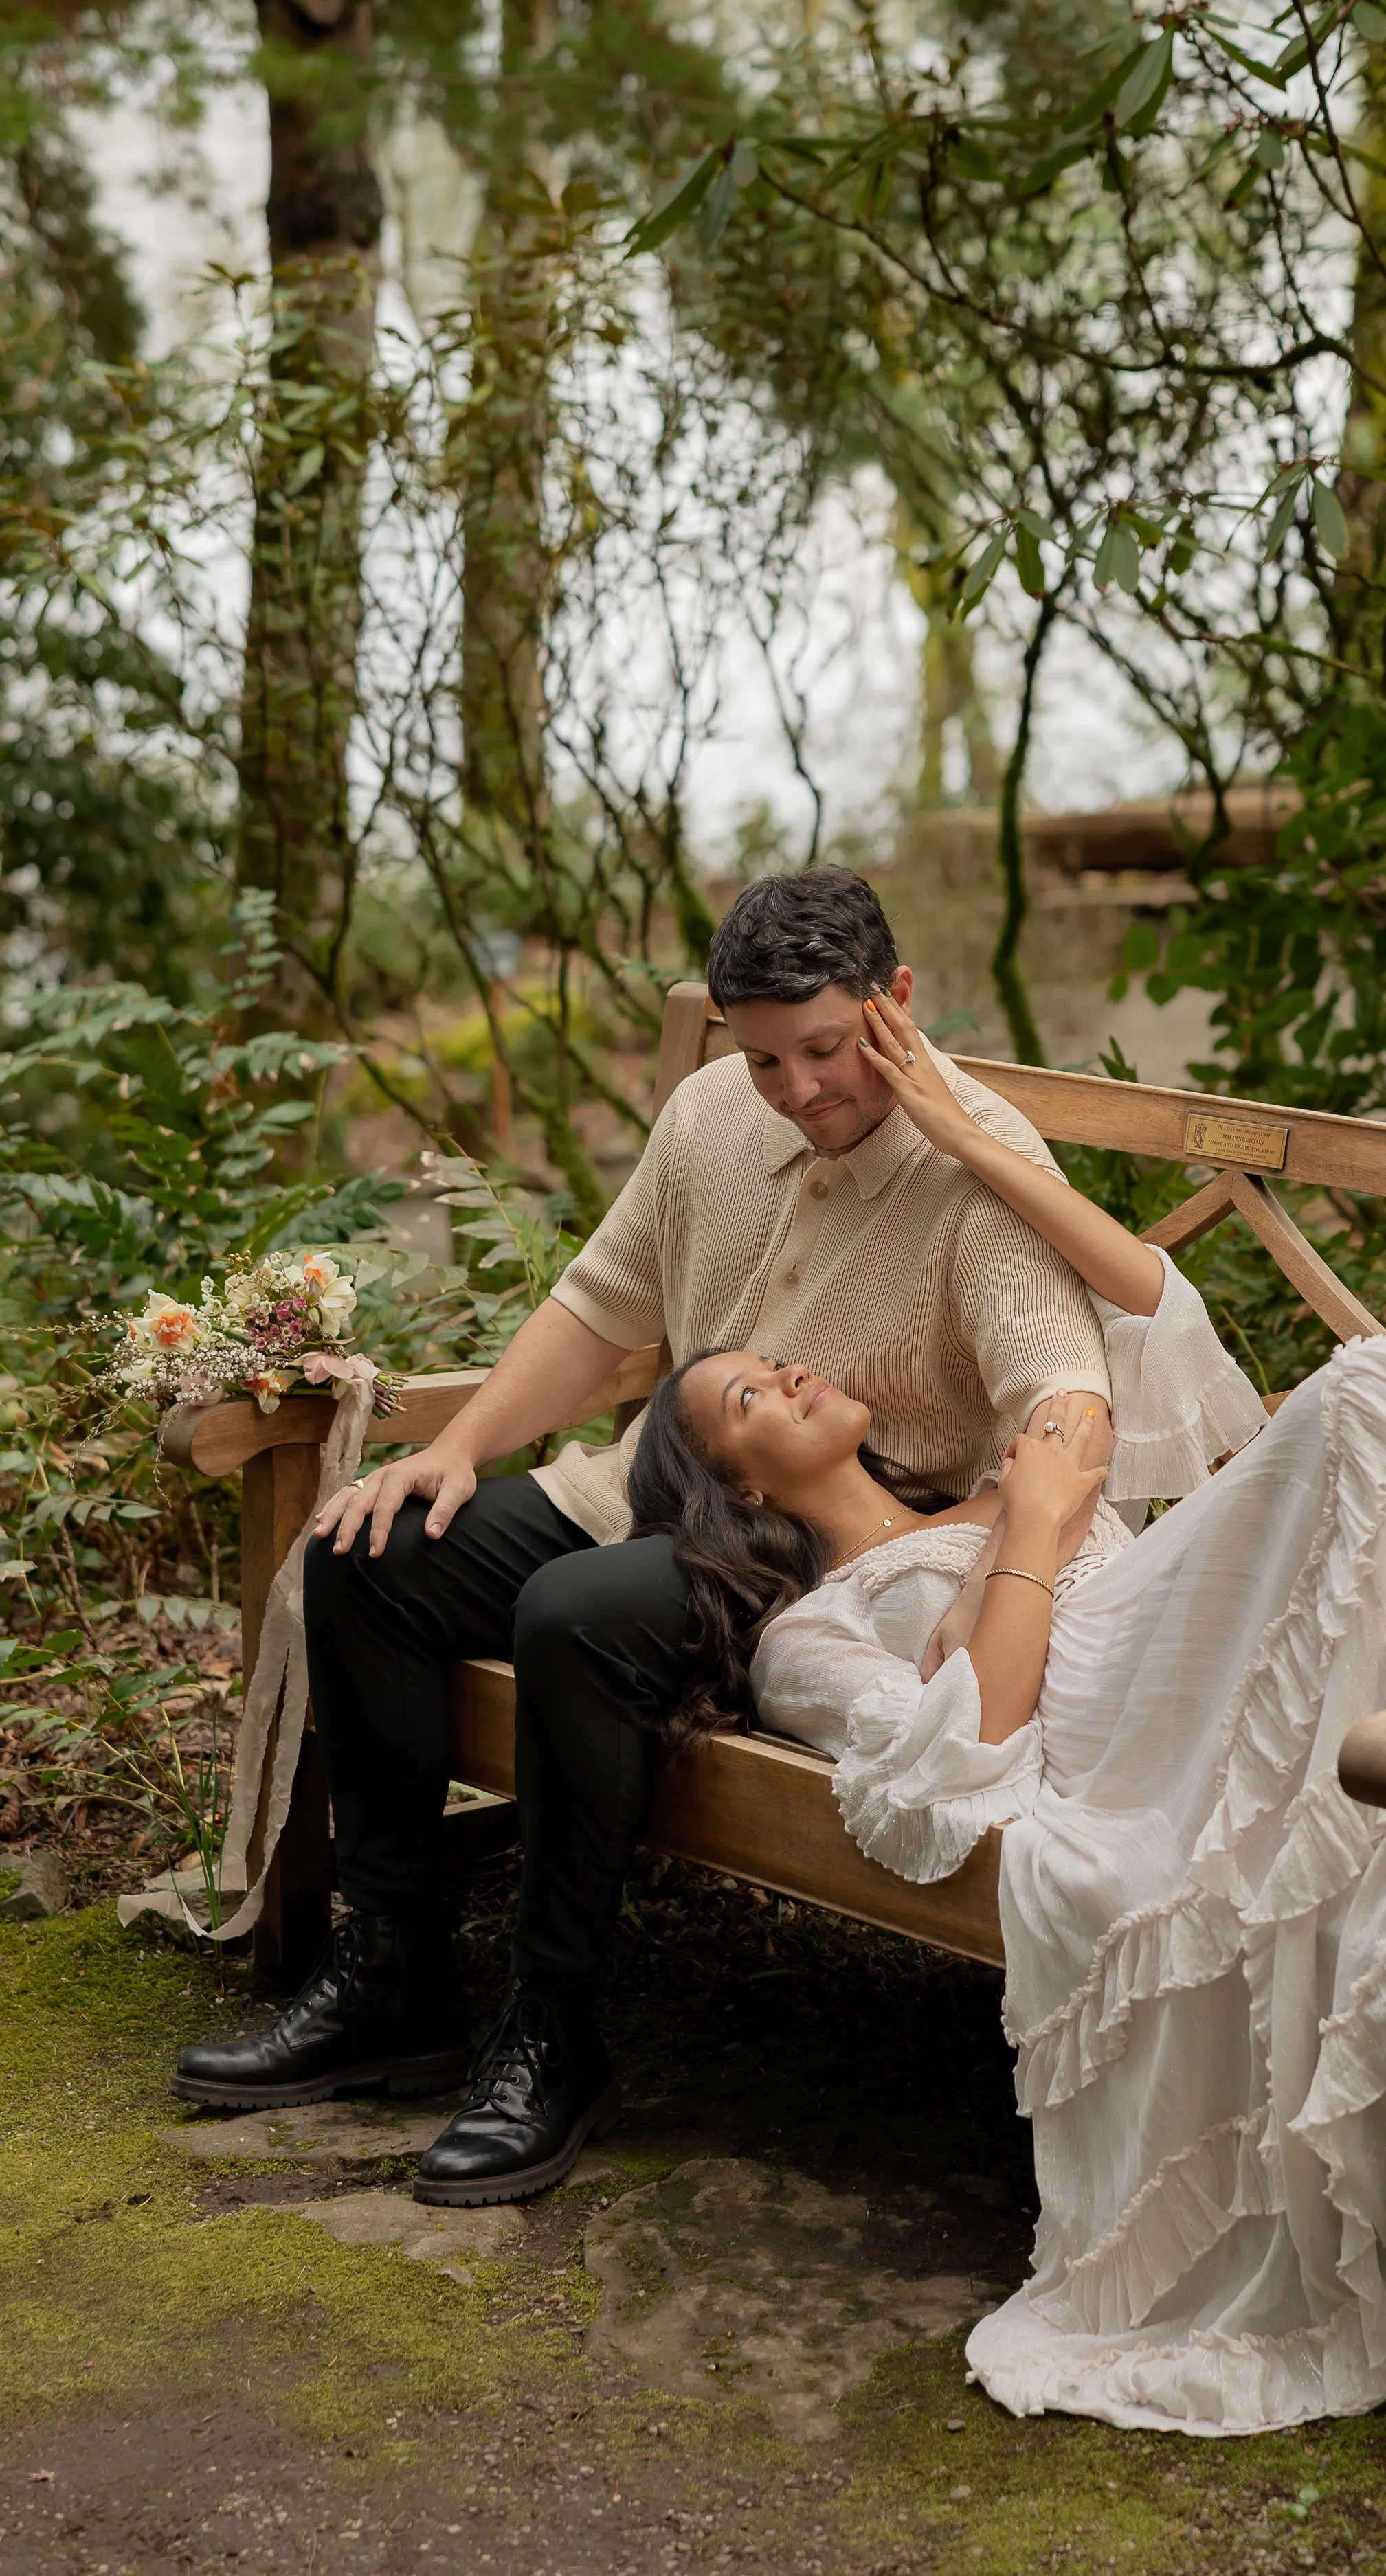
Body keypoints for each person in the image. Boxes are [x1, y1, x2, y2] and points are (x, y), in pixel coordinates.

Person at [625, 986, 1386, 2437]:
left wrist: (963, 1135)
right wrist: (1038, 1527)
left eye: (769, 1358)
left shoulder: (994, 1470)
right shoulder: (812, 1638)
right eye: (753, 1396)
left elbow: (1164, 1321)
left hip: (1197, 1645)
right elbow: (961, 1765)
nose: (788, 1370)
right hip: (1131, 1733)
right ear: (743, 1487)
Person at [169, 871, 1115, 2208]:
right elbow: (596, 1308)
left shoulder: (978, 1162)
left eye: (825, 1051)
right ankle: (396, 1976)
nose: (793, 1091)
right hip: (654, 1485)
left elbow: (1070, 1417)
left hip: (822, 1547)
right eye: (761, 1058)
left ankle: (548, 2036)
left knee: (576, 1611)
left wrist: (958, 1528)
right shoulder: (707, 1113)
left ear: (896, 1003)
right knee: (363, 1557)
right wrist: (451, 1449)